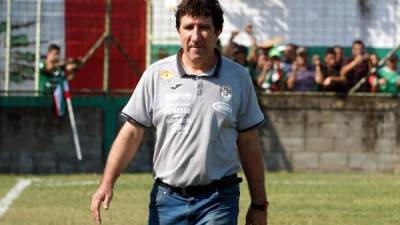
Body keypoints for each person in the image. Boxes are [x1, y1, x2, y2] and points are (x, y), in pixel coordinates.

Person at [90, 1, 268, 225]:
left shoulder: (239, 78)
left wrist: (259, 204)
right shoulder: (155, 75)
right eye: (188, 27)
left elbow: (249, 143)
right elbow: (131, 133)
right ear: (178, 31)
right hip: (167, 200)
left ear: (218, 32)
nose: (195, 36)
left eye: (203, 27)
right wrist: (106, 182)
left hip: (219, 199)